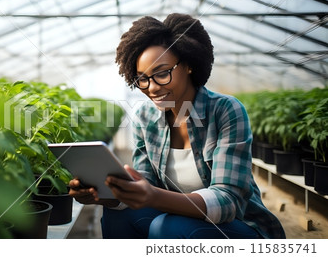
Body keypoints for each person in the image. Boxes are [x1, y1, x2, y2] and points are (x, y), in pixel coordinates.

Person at [69, 13, 285, 239]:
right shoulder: (145, 116)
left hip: (240, 227)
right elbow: (145, 185)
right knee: (119, 214)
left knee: (167, 227)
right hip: (175, 219)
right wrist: (105, 195)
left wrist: (154, 197)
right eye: (142, 78)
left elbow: (228, 201)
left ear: (188, 65)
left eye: (162, 74)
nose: (151, 88)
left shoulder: (225, 110)